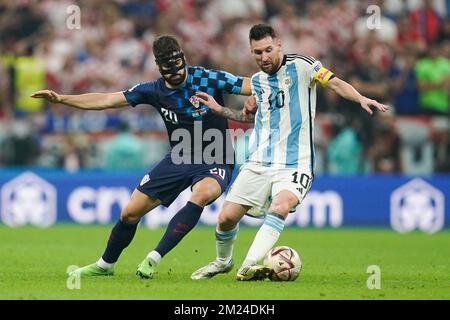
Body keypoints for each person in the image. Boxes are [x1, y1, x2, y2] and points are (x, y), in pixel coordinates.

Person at [31, 35, 252, 279]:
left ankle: (154, 257)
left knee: (202, 194)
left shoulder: (208, 78)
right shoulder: (153, 90)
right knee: (129, 213)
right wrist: (62, 98)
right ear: (159, 67)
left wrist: (281, 85)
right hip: (179, 157)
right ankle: (105, 265)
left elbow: (251, 85)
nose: (178, 74)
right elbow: (105, 100)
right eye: (171, 70)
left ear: (183, 59)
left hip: (216, 155)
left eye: (180, 67)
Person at [191, 24, 388, 281]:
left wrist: (360, 97)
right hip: (259, 160)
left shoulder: (303, 65)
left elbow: (336, 83)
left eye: (268, 50)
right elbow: (246, 117)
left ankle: (248, 266)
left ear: (279, 44)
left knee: (280, 205)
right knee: (226, 218)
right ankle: (222, 262)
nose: (264, 57)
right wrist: (219, 109)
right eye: (257, 52)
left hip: (296, 162)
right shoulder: (259, 83)